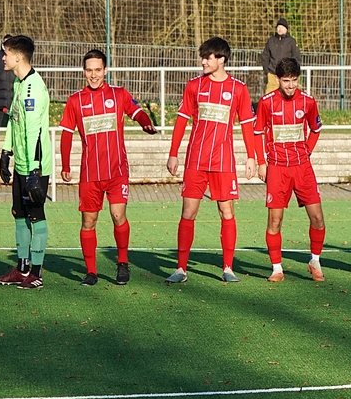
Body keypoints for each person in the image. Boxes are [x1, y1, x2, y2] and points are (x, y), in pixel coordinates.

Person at [59, 50, 158, 286]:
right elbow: (66, 133)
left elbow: (137, 112)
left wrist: (145, 123)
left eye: (98, 70)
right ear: (84, 71)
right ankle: (91, 271)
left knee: (117, 215)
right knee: (88, 221)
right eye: (89, 70)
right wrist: (65, 164)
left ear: (105, 70)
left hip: (117, 170)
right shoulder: (75, 100)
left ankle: (122, 263)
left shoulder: (119, 94)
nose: (93, 75)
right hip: (90, 173)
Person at [166, 36, 259, 284]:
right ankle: (181, 269)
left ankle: (228, 268)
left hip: (223, 162)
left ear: (221, 59)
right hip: (195, 160)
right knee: (188, 212)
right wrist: (173, 153)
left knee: (226, 212)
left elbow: (247, 125)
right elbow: (181, 120)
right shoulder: (194, 86)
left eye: (208, 57)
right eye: (203, 57)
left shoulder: (238, 88)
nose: (203, 62)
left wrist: (251, 157)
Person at [254, 58, 327, 282]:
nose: (291, 85)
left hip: (302, 167)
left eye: (294, 80)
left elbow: (315, 129)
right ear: (278, 79)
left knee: (318, 218)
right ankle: (277, 268)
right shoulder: (266, 103)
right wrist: (261, 162)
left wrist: (307, 151)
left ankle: (315, 261)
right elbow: (257, 133)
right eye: (286, 81)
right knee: (275, 221)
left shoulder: (308, 101)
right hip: (277, 168)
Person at [0, 35, 51, 290]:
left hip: (34, 168)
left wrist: (34, 171)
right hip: (21, 166)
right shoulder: (19, 83)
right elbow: (14, 121)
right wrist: (6, 152)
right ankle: (22, 268)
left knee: (36, 216)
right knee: (19, 214)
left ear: (18, 57)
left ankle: (36, 274)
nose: (3, 58)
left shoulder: (33, 88)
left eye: (6, 53)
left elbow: (35, 133)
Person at [261, 18, 300, 95]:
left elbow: (296, 58)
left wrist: (292, 73)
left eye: (282, 27)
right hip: (273, 74)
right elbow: (265, 56)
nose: (280, 29)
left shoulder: (291, 42)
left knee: (287, 96)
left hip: (287, 76)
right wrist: (267, 71)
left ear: (286, 29)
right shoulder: (271, 41)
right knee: (269, 96)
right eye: (278, 27)